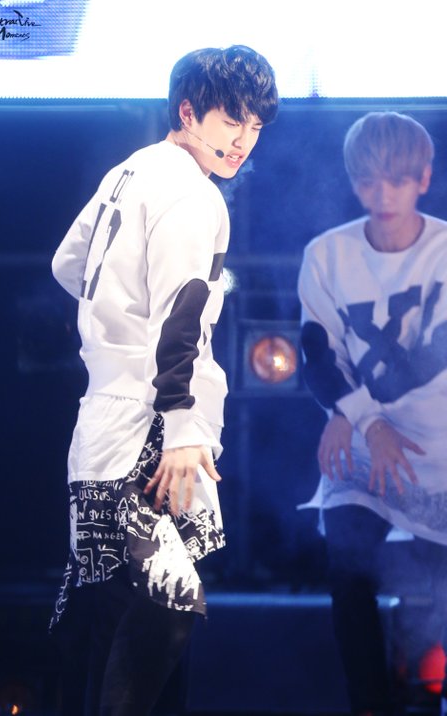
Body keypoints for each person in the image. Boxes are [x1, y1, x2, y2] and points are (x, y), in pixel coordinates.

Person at [49, 45, 278, 716]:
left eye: (255, 125)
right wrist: (181, 428)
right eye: (231, 120)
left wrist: (112, 317)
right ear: (188, 111)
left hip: (106, 417)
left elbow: (67, 264)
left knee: (118, 618)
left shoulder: (130, 171)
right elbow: (180, 316)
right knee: (165, 608)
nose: (243, 140)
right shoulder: (191, 192)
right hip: (151, 424)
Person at [298, 111, 447, 716]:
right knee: (348, 564)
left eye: (397, 180)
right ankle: (369, 706)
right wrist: (360, 420)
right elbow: (316, 355)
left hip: (438, 444)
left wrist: (353, 412)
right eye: (367, 182)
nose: (382, 195)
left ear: (423, 179)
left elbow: (430, 359)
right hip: (363, 438)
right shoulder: (326, 255)